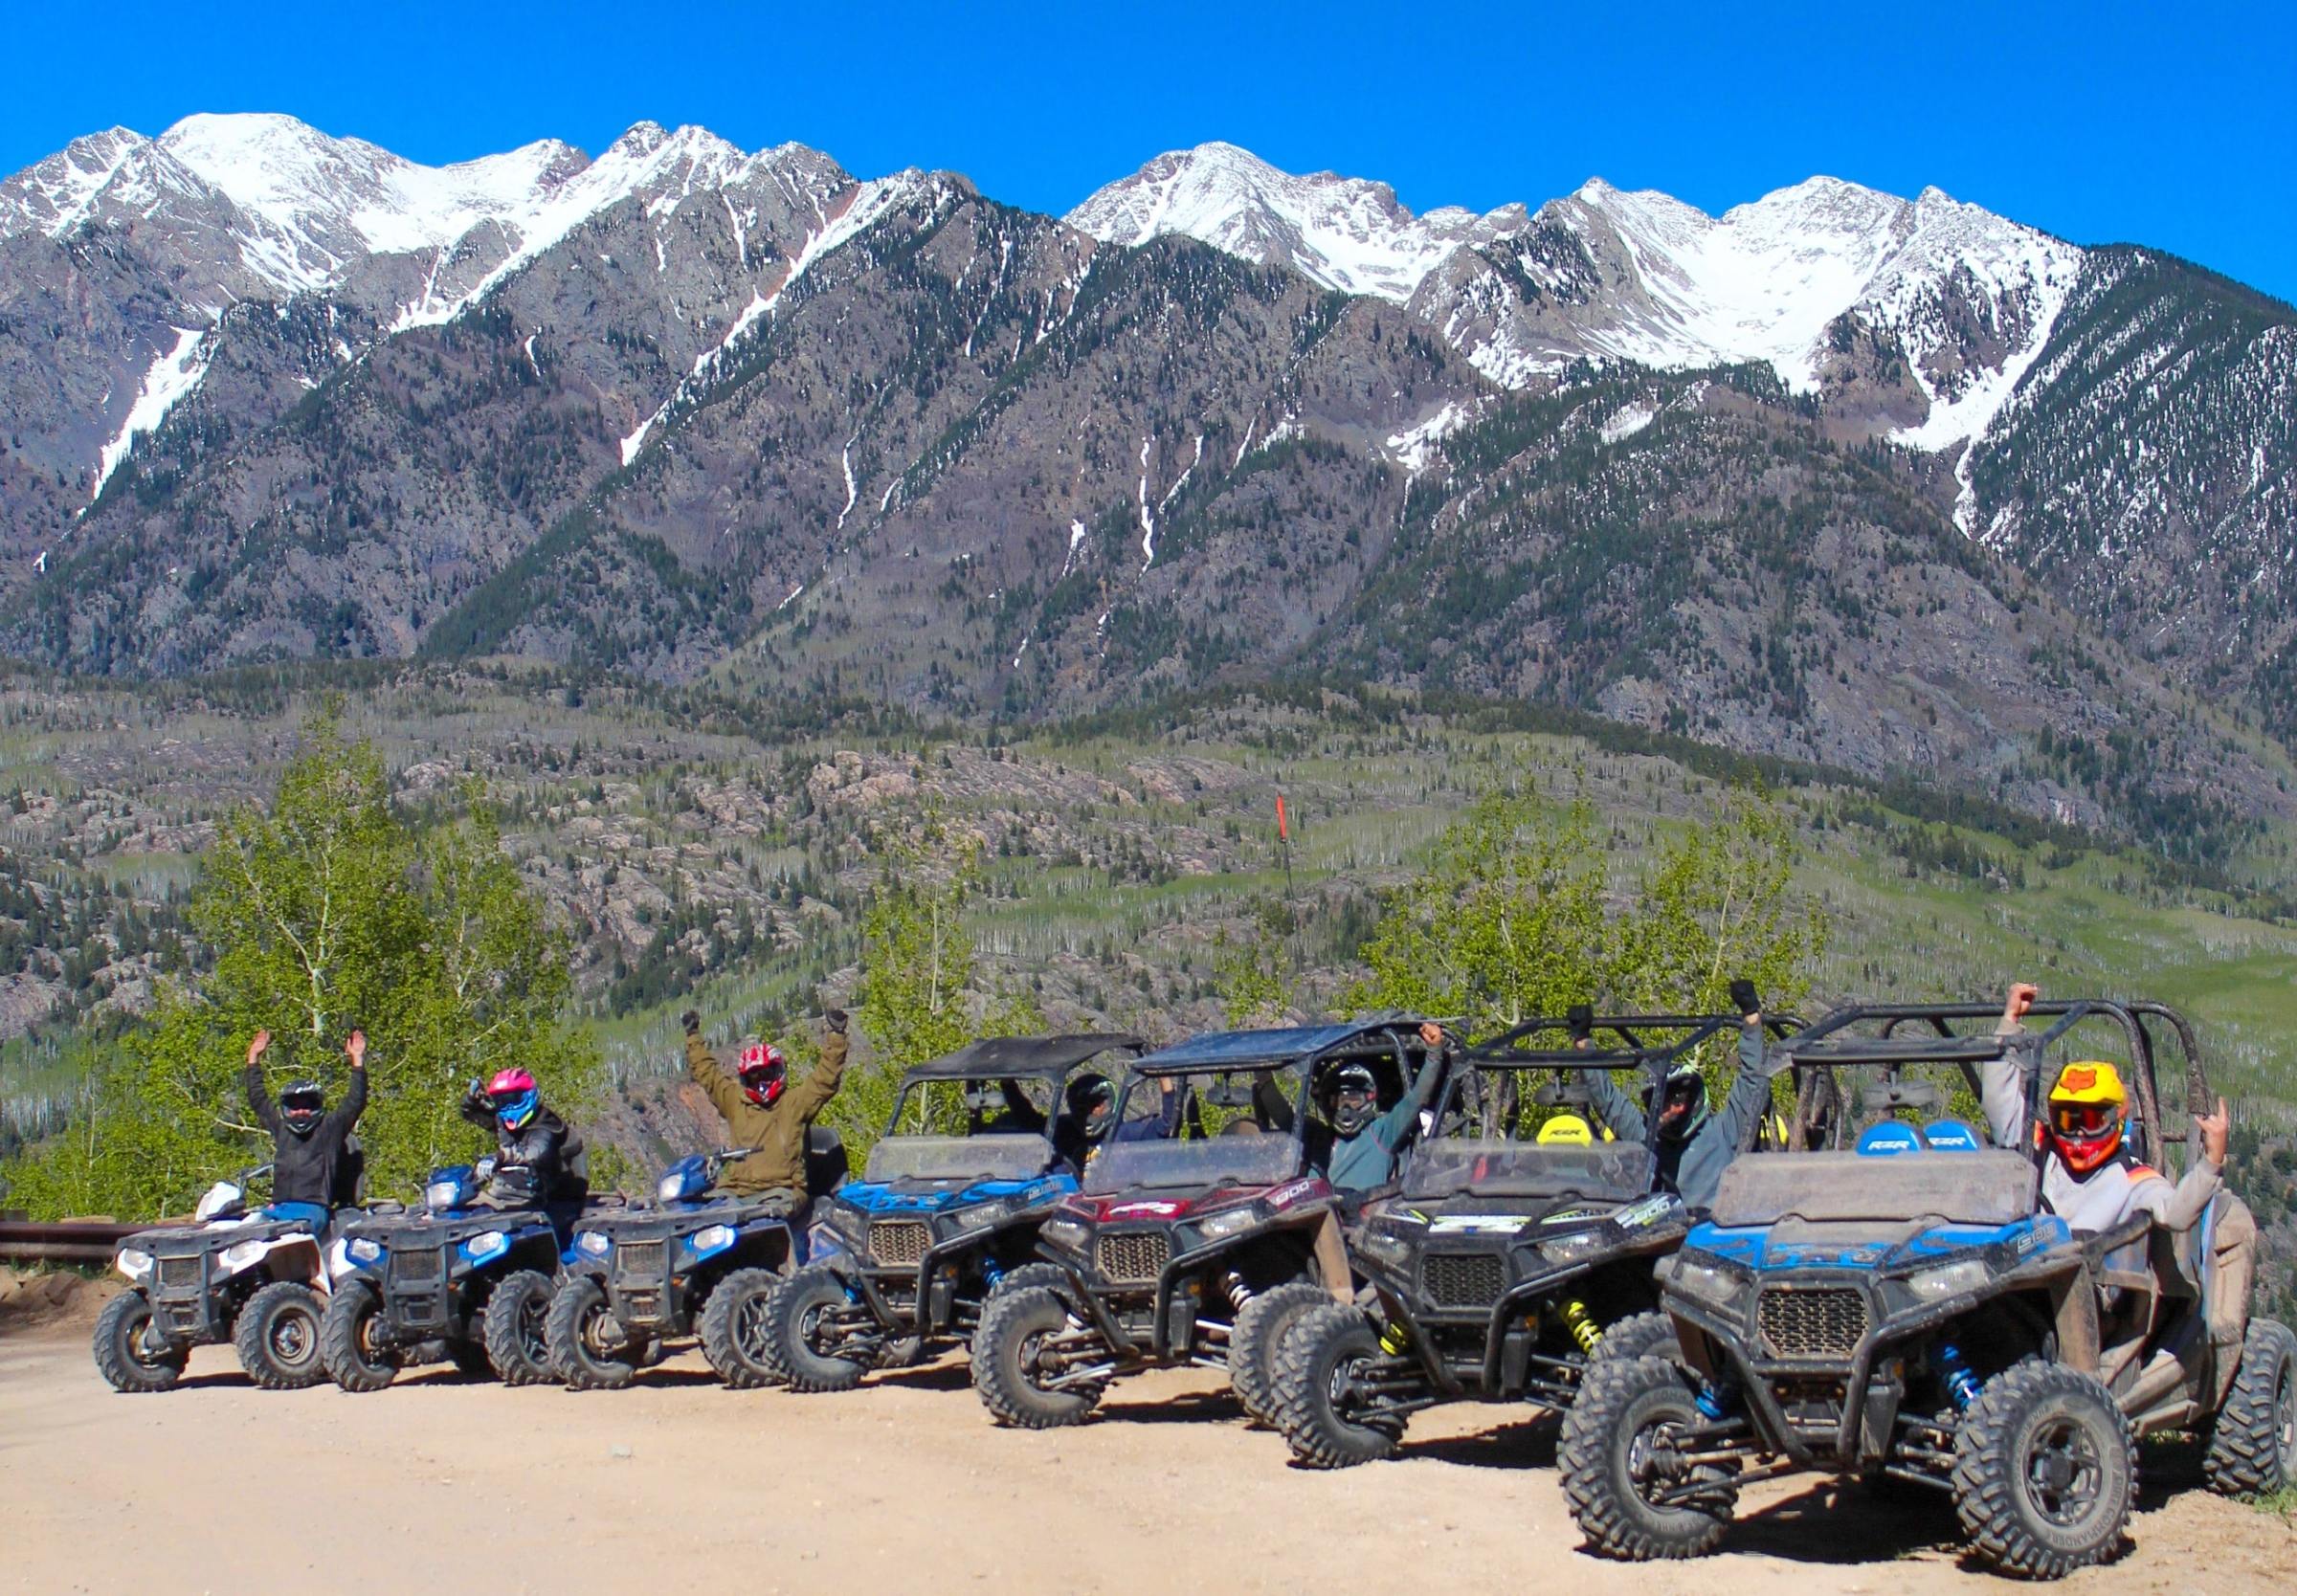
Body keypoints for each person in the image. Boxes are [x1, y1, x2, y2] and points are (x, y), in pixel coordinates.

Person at [1983, 983, 2252, 1386]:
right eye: (2067, 1119)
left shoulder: (2133, 1178)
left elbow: (2177, 1213)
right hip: (2019, 1285)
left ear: (2115, 1121)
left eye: (2090, 1121)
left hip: (2085, 1302)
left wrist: (2211, 1162)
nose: (2076, 1134)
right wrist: (2011, 1022)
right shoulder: (2038, 1148)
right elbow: (2000, 1102)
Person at [1583, 981, 1784, 1209]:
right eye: (1660, 1103)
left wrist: (1752, 1020)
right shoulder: (1647, 1136)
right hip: (1661, 1237)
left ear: (1695, 1100)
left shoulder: (1724, 1130)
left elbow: (1753, 1079)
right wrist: (1583, 1045)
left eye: (1676, 1101)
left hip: (1716, 1235)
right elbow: (1608, 1102)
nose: (1668, 1110)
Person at [1307, 1021, 1451, 1300]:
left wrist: (1434, 1052)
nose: (1347, 1109)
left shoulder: (1381, 1132)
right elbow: (1281, 1117)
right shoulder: (1319, 1139)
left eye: (1355, 1100)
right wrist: (1264, 1081)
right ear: (1327, 1102)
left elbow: (1416, 1099)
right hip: (1319, 1231)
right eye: (1339, 1101)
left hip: (1365, 1233)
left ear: (1370, 1099)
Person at [680, 1008, 848, 1206]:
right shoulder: (734, 1100)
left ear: (778, 1072)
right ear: (744, 1078)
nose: (761, 1082)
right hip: (735, 1191)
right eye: (754, 1076)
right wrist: (693, 1035)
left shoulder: (795, 1102)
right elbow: (707, 1073)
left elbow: (825, 1079)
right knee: (701, 1217)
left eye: (767, 1074)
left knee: (763, 1224)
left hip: (783, 1191)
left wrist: (837, 1035)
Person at [243, 1027, 368, 1227]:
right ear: (286, 1109)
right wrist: (253, 1057)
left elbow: (355, 1101)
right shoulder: (281, 1128)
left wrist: (357, 1060)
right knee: (244, 1236)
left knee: (293, 1238)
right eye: (294, 1106)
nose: (300, 1111)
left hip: (313, 1210)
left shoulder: (330, 1128)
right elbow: (258, 1100)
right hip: (278, 1207)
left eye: (307, 1105)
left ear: (317, 1106)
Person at [459, 1066, 589, 1208]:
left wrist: (500, 1157)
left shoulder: (545, 1126)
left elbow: (533, 1153)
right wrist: (471, 1100)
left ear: (528, 1095)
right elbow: (478, 1116)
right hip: (515, 1193)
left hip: (555, 1201)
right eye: (501, 1101)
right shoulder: (505, 1120)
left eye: (513, 1099)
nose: (508, 1107)